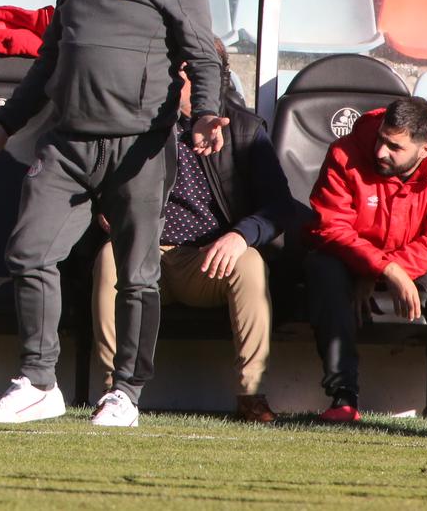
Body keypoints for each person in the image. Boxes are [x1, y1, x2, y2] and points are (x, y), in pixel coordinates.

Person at [0, 0, 226, 428]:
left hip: (138, 149)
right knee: (30, 252)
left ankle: (125, 393)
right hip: (69, 146)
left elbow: (203, 57)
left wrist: (204, 114)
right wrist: (5, 125)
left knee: (137, 273)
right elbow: (49, 63)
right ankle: (37, 382)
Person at [91, 41, 300, 423]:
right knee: (109, 257)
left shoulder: (243, 128)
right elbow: (97, 179)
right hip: (144, 252)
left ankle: (251, 394)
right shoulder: (136, 122)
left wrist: (241, 235)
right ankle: (114, 391)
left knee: (250, 262)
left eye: (182, 71)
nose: (170, 78)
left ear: (210, 78)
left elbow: (281, 206)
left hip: (207, 262)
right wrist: (104, 205)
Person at [306, 97, 427, 423]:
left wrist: (389, 269)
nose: (380, 152)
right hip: (349, 259)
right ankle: (343, 398)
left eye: (394, 147)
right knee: (323, 271)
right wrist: (383, 267)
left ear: (425, 150)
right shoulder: (345, 153)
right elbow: (329, 228)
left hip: (412, 263)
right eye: (381, 139)